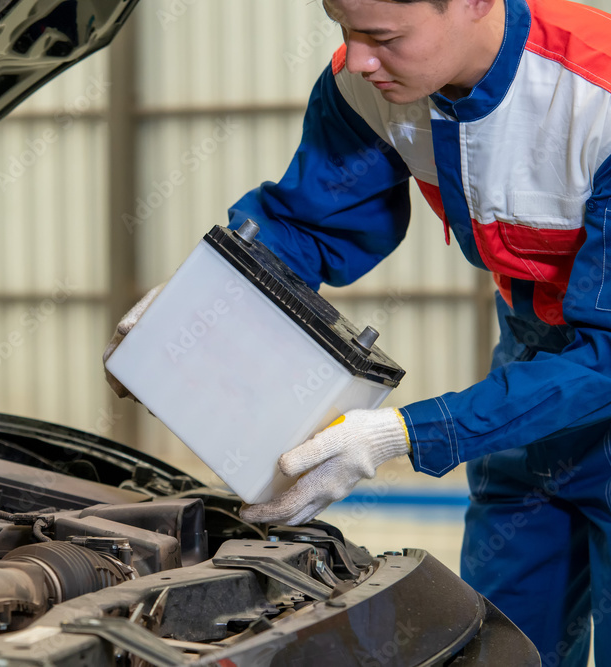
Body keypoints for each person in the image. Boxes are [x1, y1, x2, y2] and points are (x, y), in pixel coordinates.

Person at [104, 0, 611, 663]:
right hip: (529, 378)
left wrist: (397, 433)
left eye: (384, 36)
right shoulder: (367, 86)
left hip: (589, 366)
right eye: (344, 29)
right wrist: (202, 299)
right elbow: (307, 227)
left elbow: (603, 359)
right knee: (504, 642)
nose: (359, 58)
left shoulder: (594, 100)